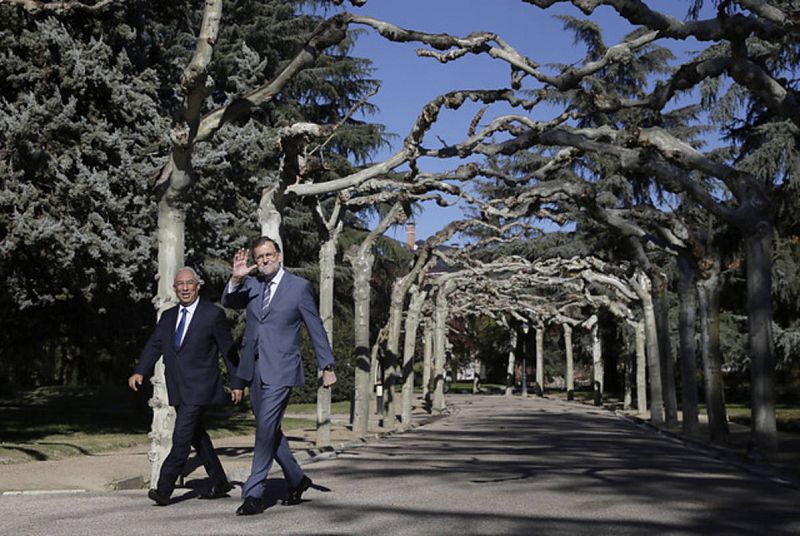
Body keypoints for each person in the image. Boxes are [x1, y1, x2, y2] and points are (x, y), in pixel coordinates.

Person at [222, 236, 336, 516]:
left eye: (268, 255)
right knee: (270, 429)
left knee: (264, 429)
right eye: (259, 257)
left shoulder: (298, 288)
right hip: (254, 367)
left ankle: (254, 493)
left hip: (282, 368)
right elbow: (228, 301)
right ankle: (297, 479)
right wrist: (236, 279)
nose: (264, 261)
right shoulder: (252, 284)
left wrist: (327, 365)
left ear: (279, 255)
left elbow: (315, 326)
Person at [128, 267, 241, 506]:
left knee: (181, 437)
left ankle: (163, 488)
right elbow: (154, 345)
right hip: (178, 387)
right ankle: (219, 481)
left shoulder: (212, 314)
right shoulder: (168, 316)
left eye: (190, 283)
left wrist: (237, 383)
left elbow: (228, 350)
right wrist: (140, 371)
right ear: (175, 288)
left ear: (198, 286)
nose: (185, 288)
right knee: (197, 436)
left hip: (201, 387)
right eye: (181, 284)